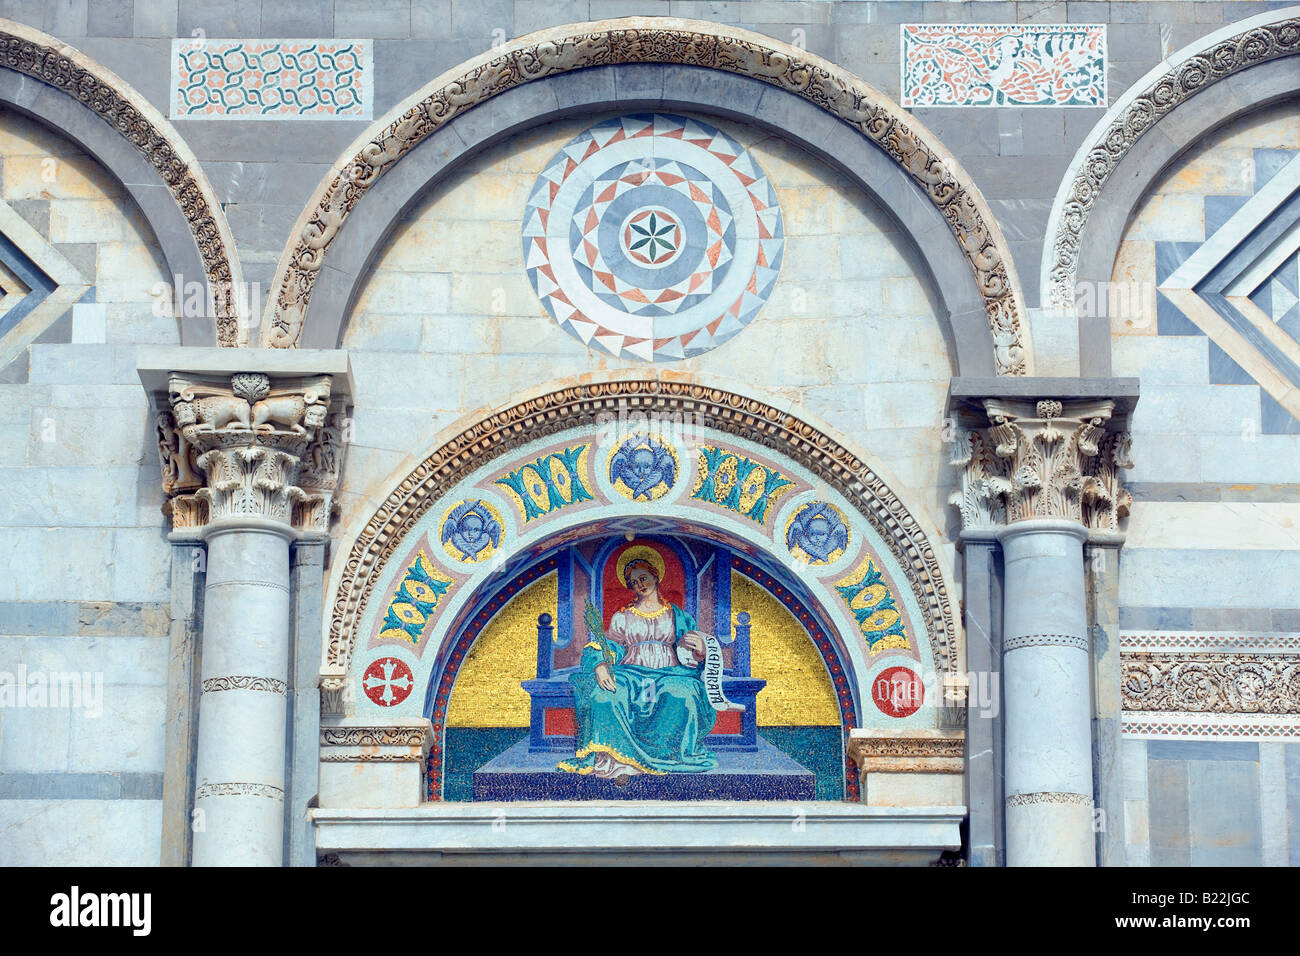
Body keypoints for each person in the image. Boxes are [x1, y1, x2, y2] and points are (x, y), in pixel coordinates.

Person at [558, 546, 717, 780]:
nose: (639, 584)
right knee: (604, 695)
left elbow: (692, 649)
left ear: (656, 576)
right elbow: (609, 645)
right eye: (633, 582)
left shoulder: (677, 615)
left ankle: (671, 756)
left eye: (643, 578)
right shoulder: (623, 616)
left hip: (670, 673)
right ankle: (617, 763)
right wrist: (600, 664)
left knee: (683, 693)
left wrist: (702, 651)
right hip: (630, 672)